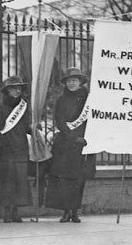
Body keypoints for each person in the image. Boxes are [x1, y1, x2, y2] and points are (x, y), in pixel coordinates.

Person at [45, 67, 95, 223]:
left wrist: (84, 138)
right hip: (65, 144)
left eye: (74, 80)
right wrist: (72, 137)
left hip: (83, 144)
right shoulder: (61, 100)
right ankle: (66, 211)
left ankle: (75, 211)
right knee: (64, 180)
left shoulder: (89, 100)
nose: (71, 83)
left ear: (80, 82)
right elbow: (59, 121)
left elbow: (93, 121)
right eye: (69, 80)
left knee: (78, 180)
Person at [0, 75, 32, 223]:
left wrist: (35, 131)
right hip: (5, 147)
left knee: (20, 180)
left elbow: (26, 126)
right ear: (7, 90)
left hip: (20, 147)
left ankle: (16, 210)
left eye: (19, 88)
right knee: (6, 181)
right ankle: (6, 211)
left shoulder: (24, 107)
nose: (16, 91)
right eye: (13, 88)